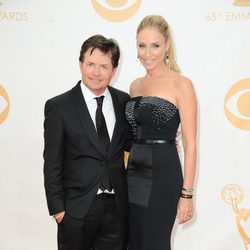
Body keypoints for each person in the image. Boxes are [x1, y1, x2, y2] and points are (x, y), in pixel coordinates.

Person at [43, 34, 129, 250]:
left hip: (116, 209)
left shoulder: (123, 102)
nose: (96, 72)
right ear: (80, 64)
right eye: (90, 64)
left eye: (104, 66)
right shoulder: (59, 106)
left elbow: (130, 144)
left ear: (114, 70)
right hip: (75, 211)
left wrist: (162, 142)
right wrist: (59, 210)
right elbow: (52, 162)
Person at [125, 15, 197, 250]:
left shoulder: (181, 84)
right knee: (133, 242)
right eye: (142, 45)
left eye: (155, 45)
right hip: (133, 173)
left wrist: (187, 194)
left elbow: (190, 143)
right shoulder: (135, 85)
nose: (148, 53)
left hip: (162, 173)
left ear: (167, 45)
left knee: (154, 243)